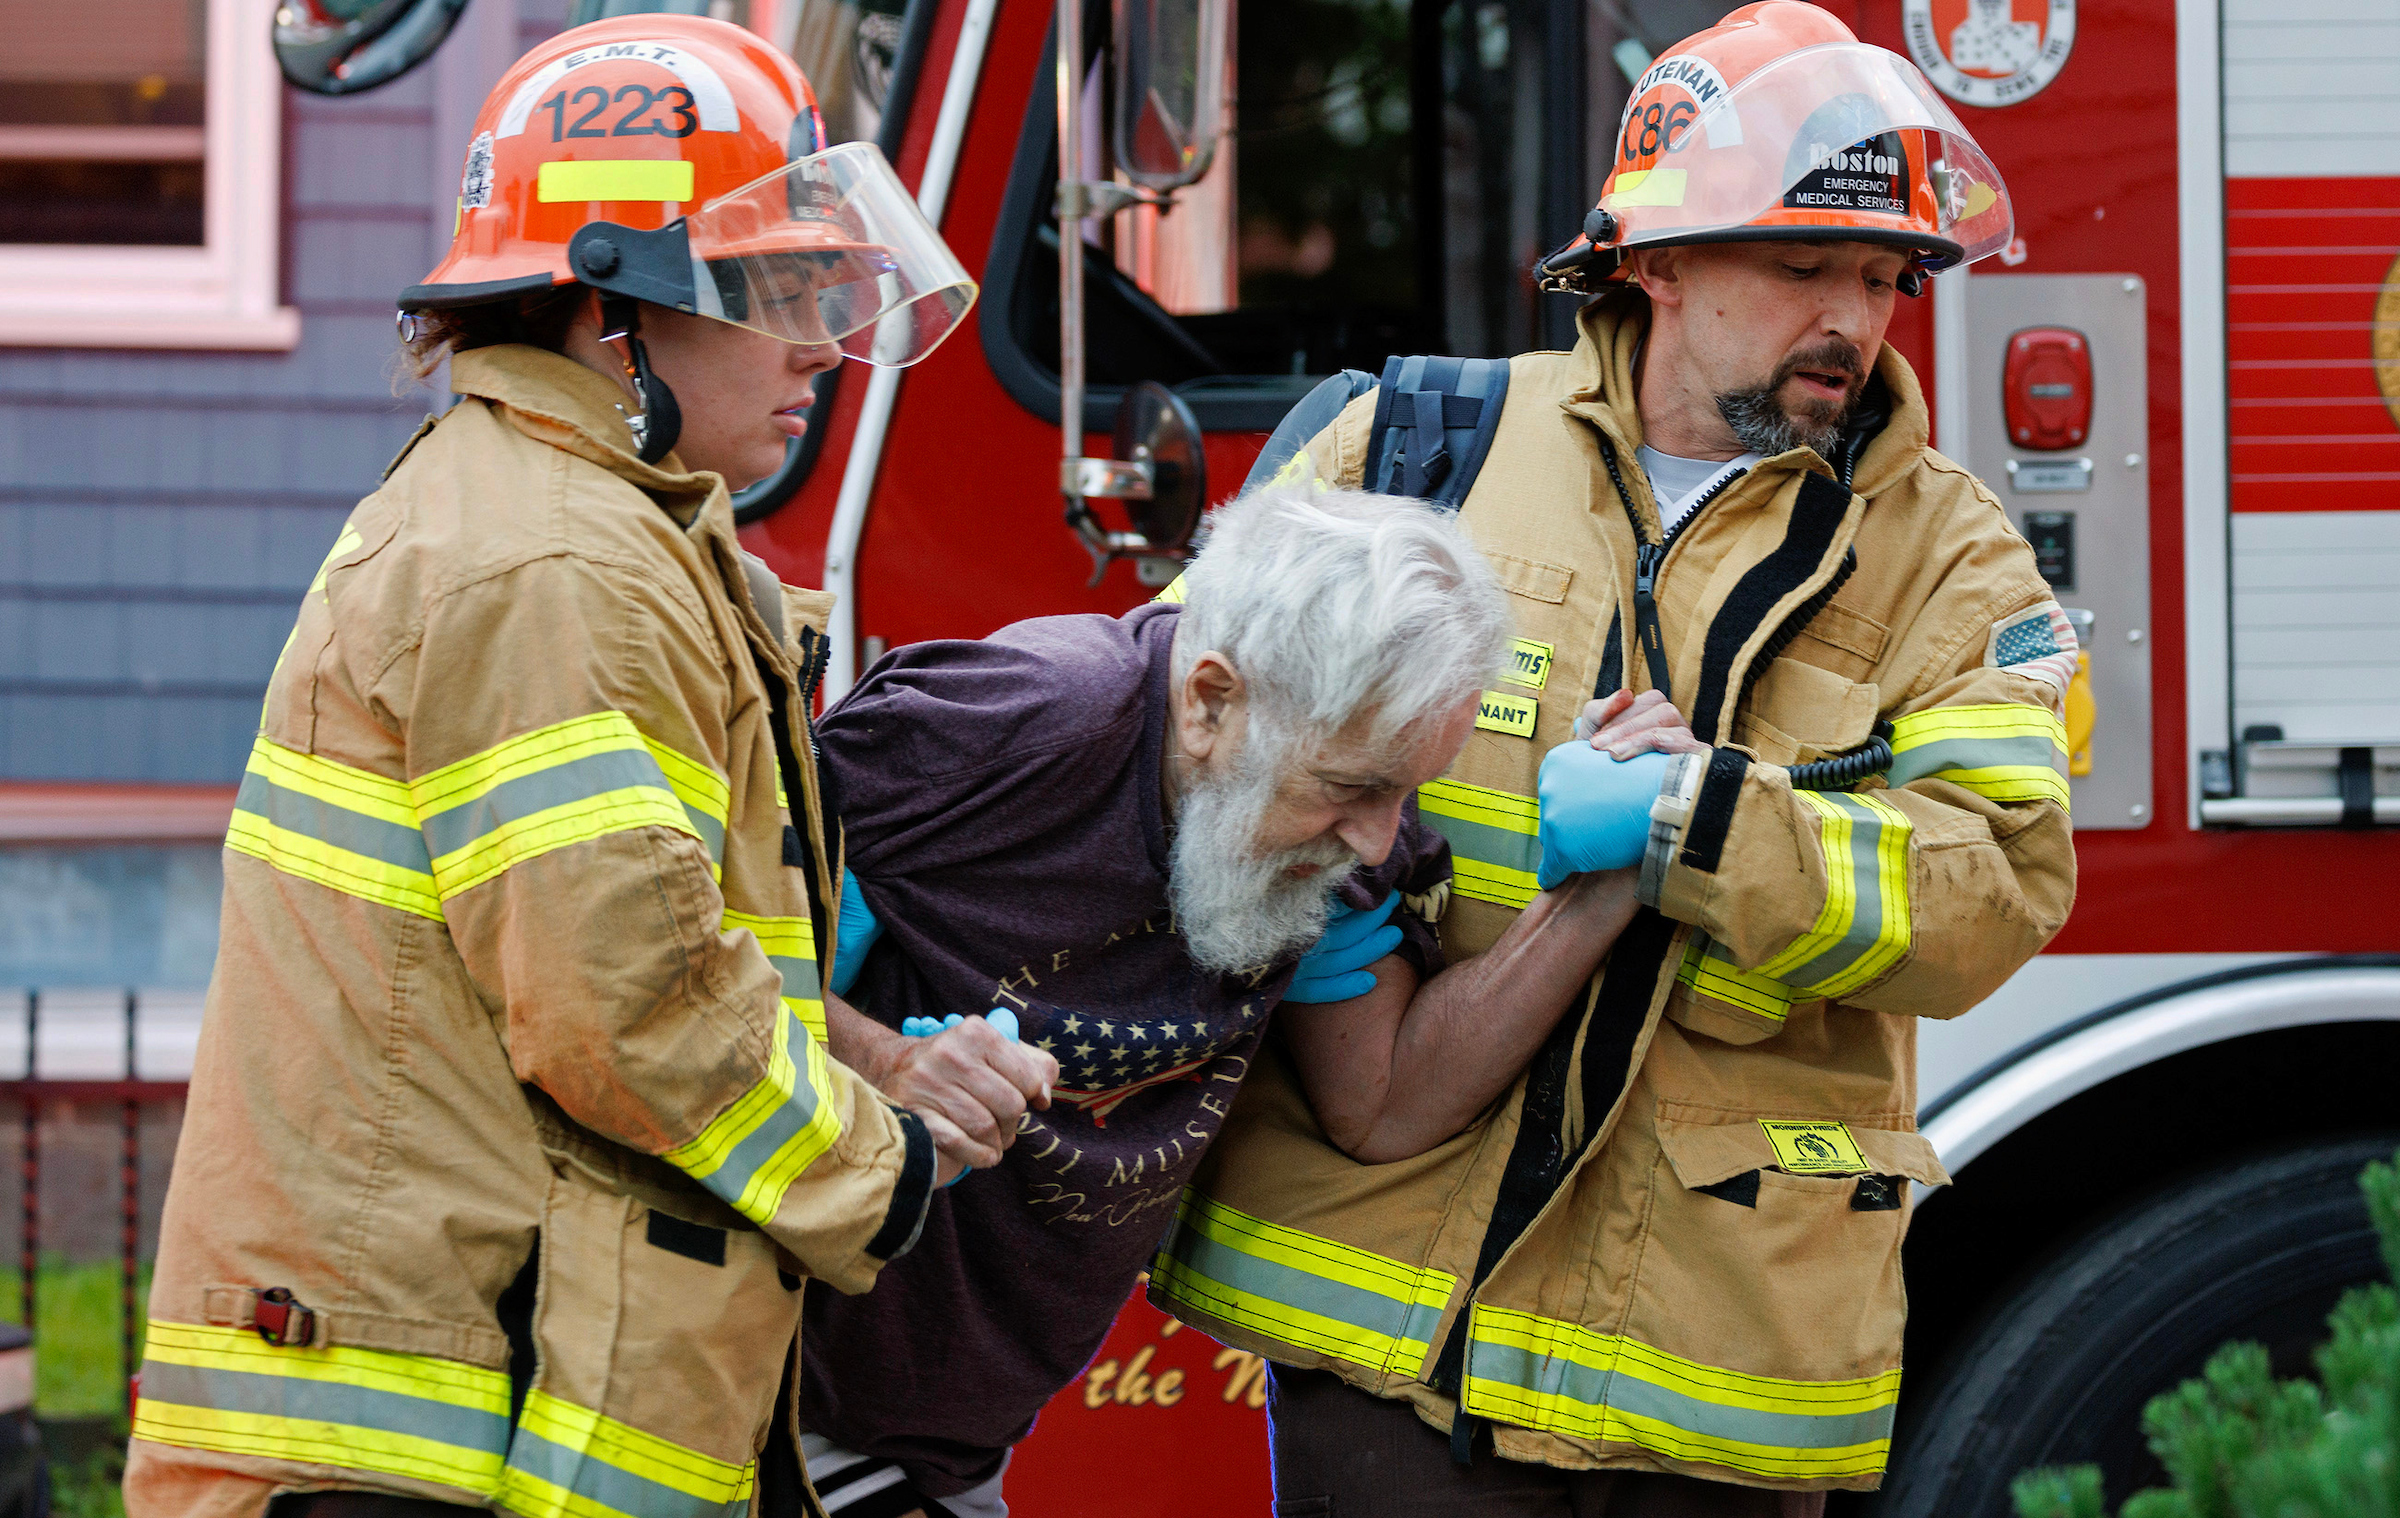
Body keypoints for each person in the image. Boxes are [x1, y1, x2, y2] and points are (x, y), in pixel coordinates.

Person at [1152, 5, 2077, 1514]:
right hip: (1383, 1337)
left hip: (1704, 1371)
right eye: (1800, 268)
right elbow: (1173, 716)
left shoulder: (1954, 563)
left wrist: (1702, 820)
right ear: (1650, 264)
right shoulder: (1413, 450)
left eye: (1882, 277)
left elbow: (1998, 892)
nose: (1851, 315)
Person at [123, 17, 1047, 1517]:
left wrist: (892, 1064)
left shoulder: (591, 529)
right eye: (768, 284)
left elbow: (656, 953)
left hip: (445, 1407)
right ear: (608, 310)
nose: (819, 336)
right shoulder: (550, 566)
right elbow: (626, 1004)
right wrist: (886, 1163)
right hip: (400, 1452)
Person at [791, 485, 1650, 1518]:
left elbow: (1379, 1106)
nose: (1379, 841)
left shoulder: (1336, 807)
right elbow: (676, 965)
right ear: (1209, 701)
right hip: (772, 1390)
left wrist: (1603, 893)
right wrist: (882, 1059)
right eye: (1351, 787)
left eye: (1402, 791)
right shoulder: (1014, 717)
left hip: (952, 1439)